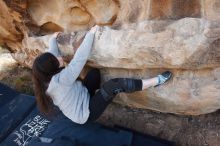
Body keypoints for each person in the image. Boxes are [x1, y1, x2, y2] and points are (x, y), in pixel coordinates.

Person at [32, 25, 172, 124]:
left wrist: (53, 40)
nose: (59, 58)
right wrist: (90, 34)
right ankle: (155, 81)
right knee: (113, 85)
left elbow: (52, 56)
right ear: (52, 68)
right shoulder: (60, 81)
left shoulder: (46, 77)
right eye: (55, 60)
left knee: (93, 74)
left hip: (82, 96)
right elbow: (79, 59)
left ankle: (100, 96)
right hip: (86, 113)